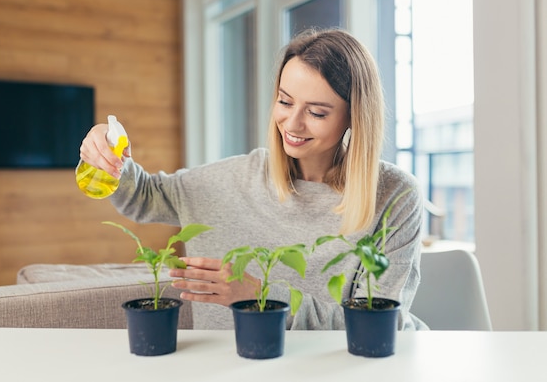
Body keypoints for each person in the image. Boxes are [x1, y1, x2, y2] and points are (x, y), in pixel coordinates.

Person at [78, 27, 426, 330]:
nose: (292, 123)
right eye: (285, 102)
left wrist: (261, 296)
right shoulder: (233, 180)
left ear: (354, 116)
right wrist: (109, 155)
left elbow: (381, 325)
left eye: (317, 112)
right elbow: (143, 197)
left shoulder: (394, 195)